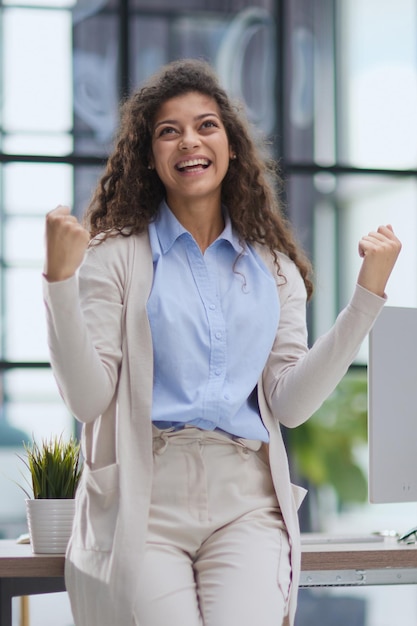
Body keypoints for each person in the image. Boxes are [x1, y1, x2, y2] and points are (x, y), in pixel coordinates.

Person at [42, 58, 401, 626]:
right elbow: (88, 400)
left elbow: (289, 403)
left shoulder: (275, 268)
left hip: (246, 503)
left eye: (206, 125)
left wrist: (367, 299)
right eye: (169, 131)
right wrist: (59, 284)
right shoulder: (112, 256)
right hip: (144, 502)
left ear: (231, 145)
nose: (190, 140)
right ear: (150, 155)